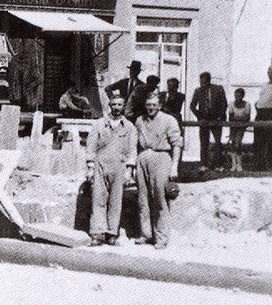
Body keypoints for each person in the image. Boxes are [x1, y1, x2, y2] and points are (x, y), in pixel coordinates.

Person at [86, 91, 137, 246]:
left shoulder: (129, 127)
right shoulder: (100, 124)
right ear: (109, 106)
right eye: (114, 104)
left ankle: (111, 233)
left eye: (119, 105)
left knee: (115, 201)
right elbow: (91, 145)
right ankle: (98, 233)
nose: (116, 108)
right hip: (101, 165)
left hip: (119, 166)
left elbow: (132, 149)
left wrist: (129, 169)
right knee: (98, 199)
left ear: (123, 106)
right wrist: (90, 166)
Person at [134, 91, 183, 250]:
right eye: (148, 105)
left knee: (160, 198)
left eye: (154, 105)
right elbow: (135, 144)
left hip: (161, 158)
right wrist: (134, 165)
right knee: (143, 198)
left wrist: (174, 166)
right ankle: (146, 233)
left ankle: (161, 237)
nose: (151, 108)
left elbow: (177, 144)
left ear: (160, 106)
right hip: (143, 158)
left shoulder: (169, 120)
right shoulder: (140, 121)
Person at [189, 72, 228, 170]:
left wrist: (220, 117)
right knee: (204, 142)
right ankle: (203, 164)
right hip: (204, 120)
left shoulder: (218, 89)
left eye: (205, 81)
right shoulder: (198, 91)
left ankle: (219, 165)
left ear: (209, 80)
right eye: (201, 81)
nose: (203, 84)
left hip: (216, 119)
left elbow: (224, 104)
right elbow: (192, 106)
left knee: (218, 142)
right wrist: (200, 117)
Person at [227, 87, 252, 173]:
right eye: (236, 95)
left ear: (242, 96)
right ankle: (234, 165)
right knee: (233, 144)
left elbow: (247, 117)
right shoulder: (231, 105)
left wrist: (238, 119)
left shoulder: (247, 105)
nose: (237, 97)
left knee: (238, 143)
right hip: (233, 126)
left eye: (239, 96)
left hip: (242, 127)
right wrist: (237, 120)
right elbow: (230, 117)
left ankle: (239, 165)